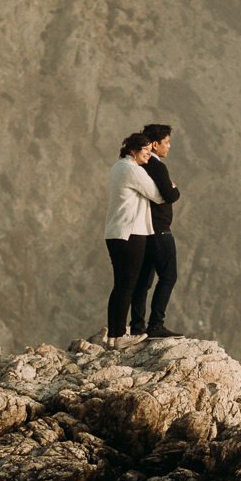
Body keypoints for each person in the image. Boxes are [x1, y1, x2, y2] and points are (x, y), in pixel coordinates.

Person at [103, 132, 163, 341]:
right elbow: (157, 194)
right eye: (145, 150)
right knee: (127, 285)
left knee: (121, 284)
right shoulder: (132, 169)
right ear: (132, 151)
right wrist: (170, 185)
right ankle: (119, 335)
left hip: (116, 232)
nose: (148, 154)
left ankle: (114, 333)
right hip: (131, 232)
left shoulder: (118, 167)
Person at [130, 123, 180, 338]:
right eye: (166, 142)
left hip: (142, 230)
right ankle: (156, 324)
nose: (169, 146)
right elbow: (170, 196)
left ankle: (137, 326)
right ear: (154, 144)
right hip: (159, 229)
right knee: (168, 276)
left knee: (143, 281)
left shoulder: (139, 166)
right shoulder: (156, 166)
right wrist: (174, 188)